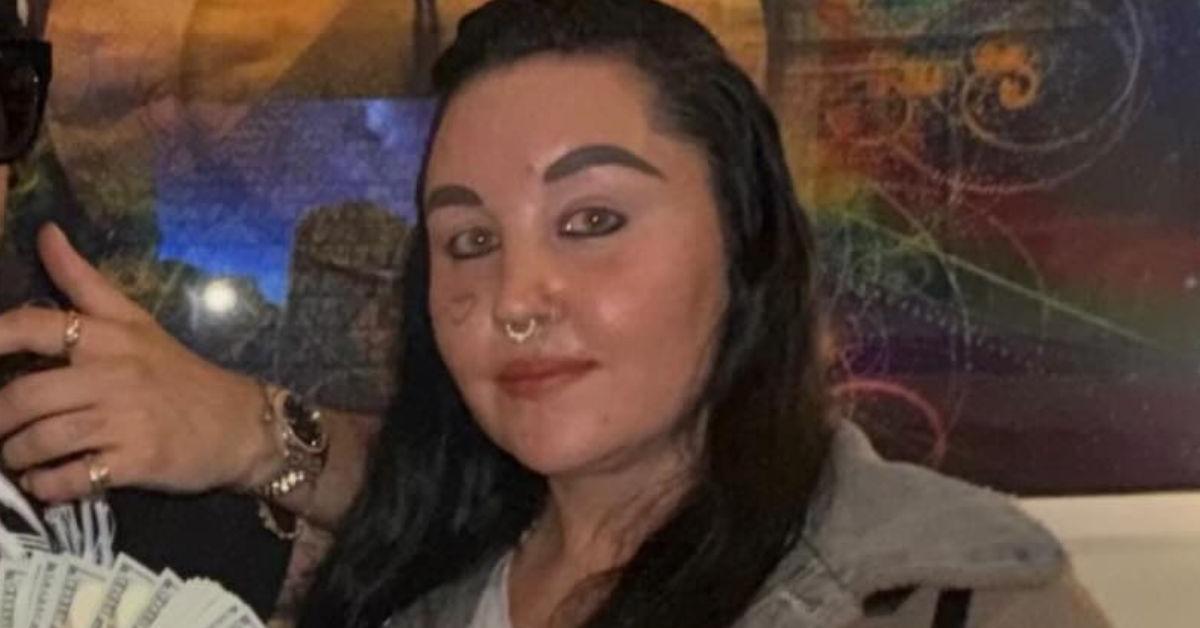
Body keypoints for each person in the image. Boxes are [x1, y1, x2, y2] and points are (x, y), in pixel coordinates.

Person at [0, 0, 1111, 626]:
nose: (517, 297)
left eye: (592, 221)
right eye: (468, 240)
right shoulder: (423, 583)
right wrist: (249, 432)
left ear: (745, 239)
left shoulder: (943, 595)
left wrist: (249, 427)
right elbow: (428, 487)